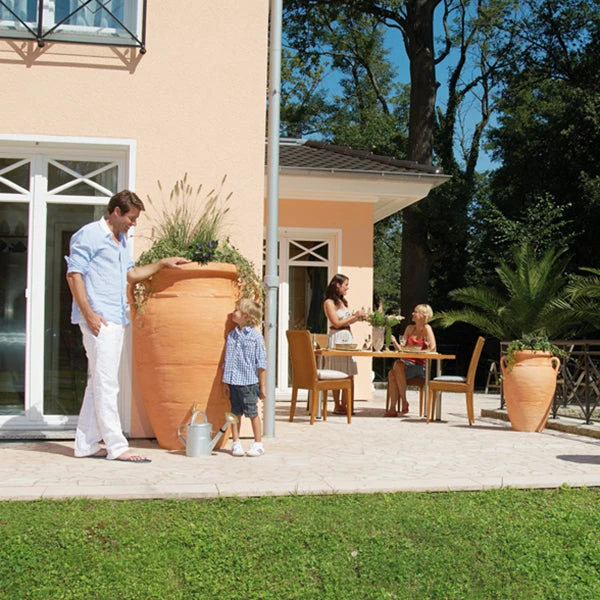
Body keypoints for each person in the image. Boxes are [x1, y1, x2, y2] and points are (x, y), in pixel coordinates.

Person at [65, 189, 190, 462]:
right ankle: (117, 446)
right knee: (107, 383)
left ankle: (85, 444)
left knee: (97, 382)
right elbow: (74, 275)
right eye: (131, 218)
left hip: (115, 318)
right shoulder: (89, 235)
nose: (133, 224)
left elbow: (131, 275)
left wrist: (162, 263)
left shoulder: (121, 241)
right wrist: (89, 314)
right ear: (116, 212)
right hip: (99, 320)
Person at [222, 298, 267, 457]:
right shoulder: (231, 336)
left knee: (252, 413)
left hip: (249, 383)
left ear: (246, 316)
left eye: (237, 310)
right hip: (234, 382)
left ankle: (258, 443)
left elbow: (261, 363)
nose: (233, 313)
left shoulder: (256, 337)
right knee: (235, 413)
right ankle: (236, 443)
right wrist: (226, 382)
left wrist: (262, 386)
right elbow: (227, 360)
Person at [323, 273, 366, 414]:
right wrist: (354, 316)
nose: (348, 288)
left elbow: (346, 321)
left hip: (348, 337)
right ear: (338, 285)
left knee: (349, 372)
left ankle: (346, 405)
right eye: (346, 285)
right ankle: (337, 405)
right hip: (337, 337)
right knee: (337, 373)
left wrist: (358, 317)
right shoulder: (329, 302)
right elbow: (336, 323)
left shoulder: (343, 302)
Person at [386, 304, 437, 417]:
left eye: (416, 312)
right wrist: (395, 343)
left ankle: (396, 406)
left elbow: (433, 348)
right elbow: (402, 349)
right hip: (406, 364)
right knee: (394, 371)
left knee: (394, 370)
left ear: (424, 316)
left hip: (420, 366)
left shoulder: (427, 328)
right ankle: (397, 405)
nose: (413, 314)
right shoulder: (409, 328)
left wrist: (421, 351)